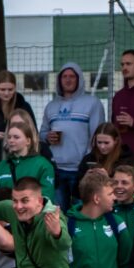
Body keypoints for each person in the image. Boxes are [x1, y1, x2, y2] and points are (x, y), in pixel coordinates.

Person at [41, 62, 104, 209]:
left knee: (82, 211)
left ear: (79, 79)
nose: (68, 80)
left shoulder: (92, 103)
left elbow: (97, 136)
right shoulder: (51, 106)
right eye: (64, 76)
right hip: (56, 169)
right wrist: (47, 137)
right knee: (58, 213)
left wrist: (88, 162)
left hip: (81, 169)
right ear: (59, 80)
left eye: (72, 76)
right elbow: (41, 133)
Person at [65, 170, 134, 268]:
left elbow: (127, 262)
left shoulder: (117, 223)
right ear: (97, 198)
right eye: (110, 194)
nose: (114, 197)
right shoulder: (67, 225)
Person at [0, 117, 56, 194]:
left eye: (16, 137)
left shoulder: (42, 165)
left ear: (28, 141)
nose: (11, 140)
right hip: (5, 206)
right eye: (9, 137)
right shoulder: (2, 165)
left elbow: (47, 196)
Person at [0, 69, 34, 140]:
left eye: (10, 89)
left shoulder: (24, 106)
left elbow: (33, 131)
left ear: (15, 88)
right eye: (2, 89)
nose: (6, 93)